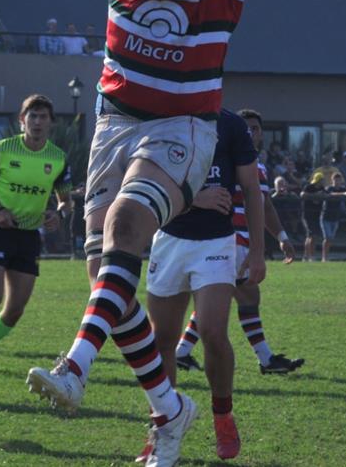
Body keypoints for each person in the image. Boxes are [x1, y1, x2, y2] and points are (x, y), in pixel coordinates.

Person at [17, 0, 276, 467]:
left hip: (184, 127)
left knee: (132, 220)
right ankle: (169, 410)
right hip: (115, 121)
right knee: (110, 278)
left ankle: (76, 366)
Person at [145, 109, 265, 461]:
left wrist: (257, 250)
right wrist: (193, 198)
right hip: (169, 240)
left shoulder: (230, 125)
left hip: (216, 242)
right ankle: (164, 427)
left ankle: (223, 415)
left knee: (213, 332)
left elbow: (252, 188)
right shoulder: (161, 120)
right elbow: (143, 182)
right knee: (162, 339)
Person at [174, 108, 302, 378]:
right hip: (232, 240)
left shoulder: (230, 160)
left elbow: (263, 206)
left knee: (224, 298)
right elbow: (264, 206)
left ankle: (182, 352)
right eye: (247, 128)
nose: (251, 133)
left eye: (256, 128)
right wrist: (281, 238)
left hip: (226, 240)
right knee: (245, 295)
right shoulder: (248, 164)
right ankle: (265, 359)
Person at [0, 95, 69, 377]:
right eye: (32, 116)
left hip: (29, 236)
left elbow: (64, 199)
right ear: (22, 121)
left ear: (51, 123)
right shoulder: (2, 149)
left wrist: (58, 212)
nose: (37, 122)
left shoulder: (57, 158)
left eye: (43, 117)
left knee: (14, 310)